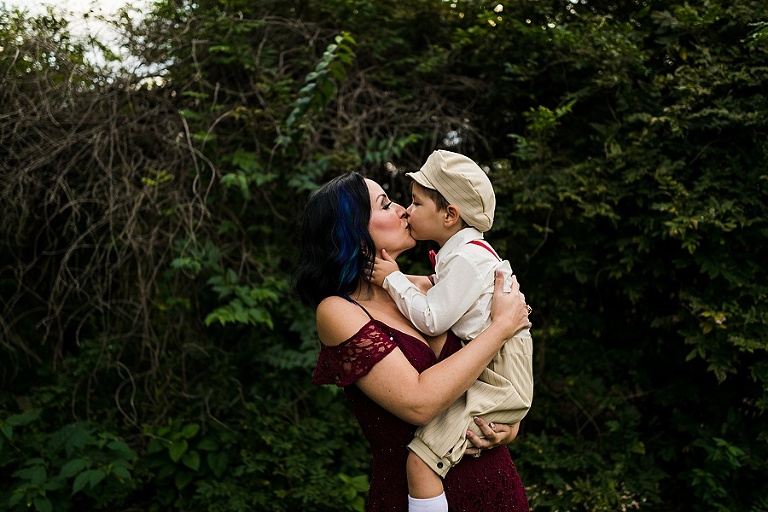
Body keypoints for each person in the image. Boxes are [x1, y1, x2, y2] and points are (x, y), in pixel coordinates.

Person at [294, 171, 532, 512]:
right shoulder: (339, 311)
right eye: (385, 204)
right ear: (356, 232)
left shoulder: (428, 291)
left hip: (495, 487)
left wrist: (506, 428)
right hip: (411, 495)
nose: (404, 210)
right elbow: (418, 403)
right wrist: (501, 327)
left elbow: (491, 379)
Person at [370, 150, 534, 512]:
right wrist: (386, 280)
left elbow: (431, 318)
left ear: (449, 215)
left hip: (499, 374)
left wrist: (393, 279)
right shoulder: (462, 254)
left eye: (415, 202)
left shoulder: (465, 259)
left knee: (421, 460)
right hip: (496, 368)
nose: (407, 211)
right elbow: (434, 286)